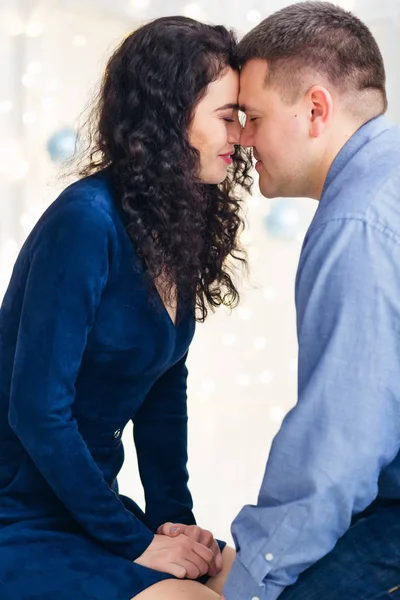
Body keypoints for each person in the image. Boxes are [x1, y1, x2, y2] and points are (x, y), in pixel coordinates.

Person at [0, 16, 252, 600]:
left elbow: (164, 393)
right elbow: (38, 412)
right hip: (23, 513)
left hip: (92, 506)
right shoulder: (85, 222)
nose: (239, 135)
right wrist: (136, 543)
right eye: (226, 116)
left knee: (261, 579)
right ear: (170, 116)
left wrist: (175, 523)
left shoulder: (173, 226)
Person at [223, 3, 400, 600]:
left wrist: (251, 578)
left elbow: (340, 443)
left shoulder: (358, 222)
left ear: (316, 110)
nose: (242, 137)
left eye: (253, 116)